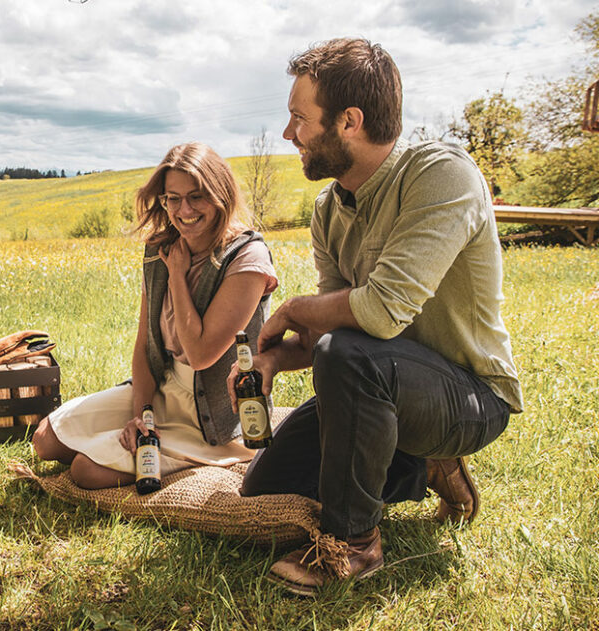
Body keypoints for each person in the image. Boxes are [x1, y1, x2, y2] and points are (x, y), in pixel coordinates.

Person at [226, 38, 522, 596]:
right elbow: (336, 335)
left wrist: (289, 309)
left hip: (470, 397)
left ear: (350, 121)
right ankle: (425, 467)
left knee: (352, 357)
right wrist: (272, 360)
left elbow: (380, 312)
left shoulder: (442, 175)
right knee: (265, 490)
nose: (289, 134)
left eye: (298, 118)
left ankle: (354, 544)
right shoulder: (328, 209)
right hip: (375, 383)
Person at [32, 142, 278, 489]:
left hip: (213, 415)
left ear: (220, 195)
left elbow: (201, 353)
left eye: (197, 197)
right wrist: (141, 414)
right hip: (166, 388)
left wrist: (177, 274)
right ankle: (128, 443)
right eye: (172, 198)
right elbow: (145, 343)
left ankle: (188, 457)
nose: (184, 210)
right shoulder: (159, 248)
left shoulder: (247, 258)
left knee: (85, 471)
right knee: (45, 440)